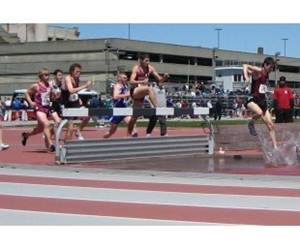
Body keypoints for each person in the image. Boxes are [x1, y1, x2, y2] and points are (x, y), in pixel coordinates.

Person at [127, 54, 169, 136]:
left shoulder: (150, 68)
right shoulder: (137, 68)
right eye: (146, 61)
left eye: (149, 60)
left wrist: (165, 77)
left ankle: (129, 134)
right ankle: (157, 108)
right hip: (135, 91)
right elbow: (131, 81)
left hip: (142, 94)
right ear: (141, 61)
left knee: (134, 117)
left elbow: (159, 80)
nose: (148, 62)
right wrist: (141, 82)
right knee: (149, 89)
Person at [21, 68, 61, 152]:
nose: (48, 76)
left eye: (48, 75)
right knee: (46, 124)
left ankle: (26, 135)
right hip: (39, 109)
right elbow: (26, 93)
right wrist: (31, 102)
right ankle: (50, 145)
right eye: (45, 75)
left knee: (55, 123)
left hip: (47, 108)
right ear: (41, 76)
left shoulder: (50, 85)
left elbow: (49, 96)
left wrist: (54, 97)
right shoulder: (36, 86)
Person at [243, 57, 277, 149]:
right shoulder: (259, 70)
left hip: (262, 101)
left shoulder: (266, 74)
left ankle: (275, 147)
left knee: (271, 125)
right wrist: (246, 77)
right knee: (259, 113)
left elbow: (262, 87)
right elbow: (245, 65)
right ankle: (251, 123)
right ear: (265, 65)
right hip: (252, 100)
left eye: (272, 68)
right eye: (270, 67)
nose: (271, 70)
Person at [61, 63, 92, 140]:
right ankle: (66, 146)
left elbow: (76, 91)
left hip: (75, 103)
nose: (79, 73)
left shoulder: (77, 79)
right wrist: (85, 86)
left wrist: (80, 98)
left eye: (80, 72)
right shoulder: (67, 78)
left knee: (88, 115)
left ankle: (78, 130)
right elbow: (71, 90)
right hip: (66, 105)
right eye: (77, 71)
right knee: (69, 128)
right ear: (72, 71)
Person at [103, 73, 137, 138]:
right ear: (119, 78)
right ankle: (102, 140)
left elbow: (128, 95)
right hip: (118, 111)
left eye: (126, 78)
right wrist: (127, 95)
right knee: (111, 132)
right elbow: (115, 97)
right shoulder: (117, 86)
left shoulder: (125, 86)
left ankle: (129, 137)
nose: (126, 79)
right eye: (124, 78)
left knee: (132, 124)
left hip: (124, 110)